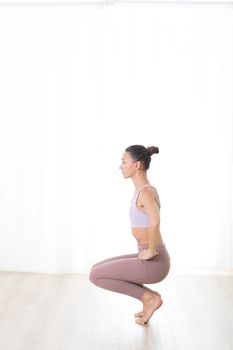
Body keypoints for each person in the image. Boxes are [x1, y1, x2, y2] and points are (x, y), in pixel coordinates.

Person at [89, 145, 170, 325]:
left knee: (96, 276)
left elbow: (155, 220)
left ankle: (148, 299)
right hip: (152, 257)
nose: (120, 166)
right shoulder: (143, 190)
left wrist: (150, 251)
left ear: (137, 165)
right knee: (96, 270)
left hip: (154, 261)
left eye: (124, 162)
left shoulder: (146, 192)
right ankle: (151, 297)